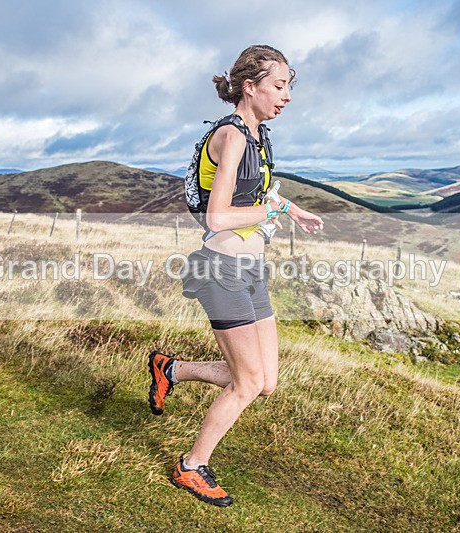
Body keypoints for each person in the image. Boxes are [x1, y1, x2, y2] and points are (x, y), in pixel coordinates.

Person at [148, 45, 324, 507]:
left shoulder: (258, 135)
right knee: (246, 383)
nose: (286, 96)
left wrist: (292, 209)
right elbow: (217, 216)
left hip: (251, 271)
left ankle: (171, 369)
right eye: (279, 86)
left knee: (265, 382)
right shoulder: (233, 136)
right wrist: (270, 212)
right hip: (221, 270)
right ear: (250, 86)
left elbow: (258, 193)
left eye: (288, 87)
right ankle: (191, 467)